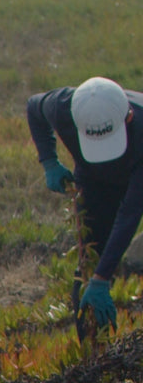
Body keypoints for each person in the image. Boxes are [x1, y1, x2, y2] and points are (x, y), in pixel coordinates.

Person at [27, 76, 143, 331]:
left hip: (138, 170)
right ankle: (94, 354)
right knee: (89, 265)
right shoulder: (62, 107)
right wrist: (48, 161)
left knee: (98, 275)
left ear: (129, 118)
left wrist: (102, 279)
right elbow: (33, 107)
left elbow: (131, 212)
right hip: (94, 181)